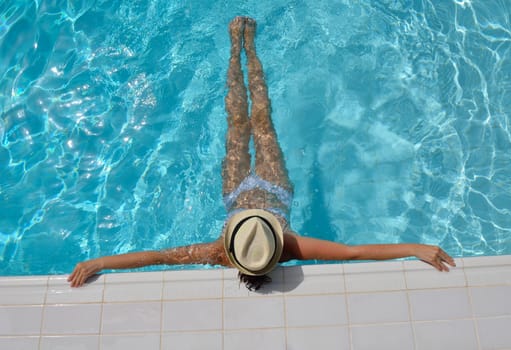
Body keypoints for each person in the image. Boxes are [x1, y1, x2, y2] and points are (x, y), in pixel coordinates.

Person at [68, 17, 455, 290]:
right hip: (272, 187)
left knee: (238, 121)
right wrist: (412, 248)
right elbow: (354, 252)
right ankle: (249, 46)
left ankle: (235, 48)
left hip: (236, 190)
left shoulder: (219, 251)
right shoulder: (287, 246)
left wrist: (99, 261)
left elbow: (154, 257)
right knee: (259, 118)